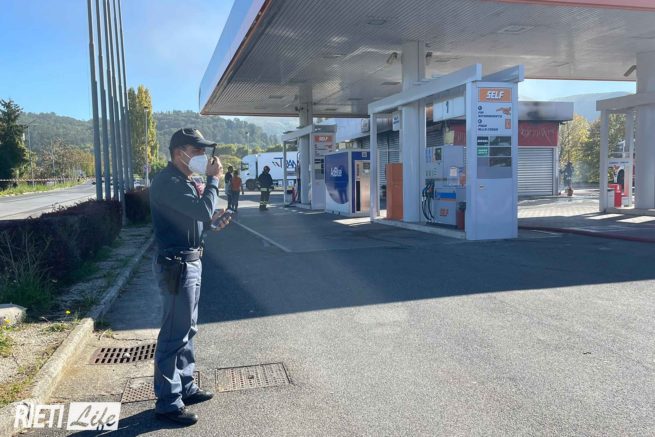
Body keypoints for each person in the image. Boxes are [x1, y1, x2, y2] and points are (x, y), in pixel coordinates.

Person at [149, 128, 230, 426]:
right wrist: (214, 180)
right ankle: (168, 403)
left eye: (204, 151)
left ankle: (185, 386)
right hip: (177, 264)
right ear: (179, 152)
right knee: (174, 333)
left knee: (187, 329)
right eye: (197, 151)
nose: (204, 157)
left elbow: (195, 219)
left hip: (190, 260)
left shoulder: (183, 181)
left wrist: (210, 225)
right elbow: (201, 209)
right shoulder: (168, 182)